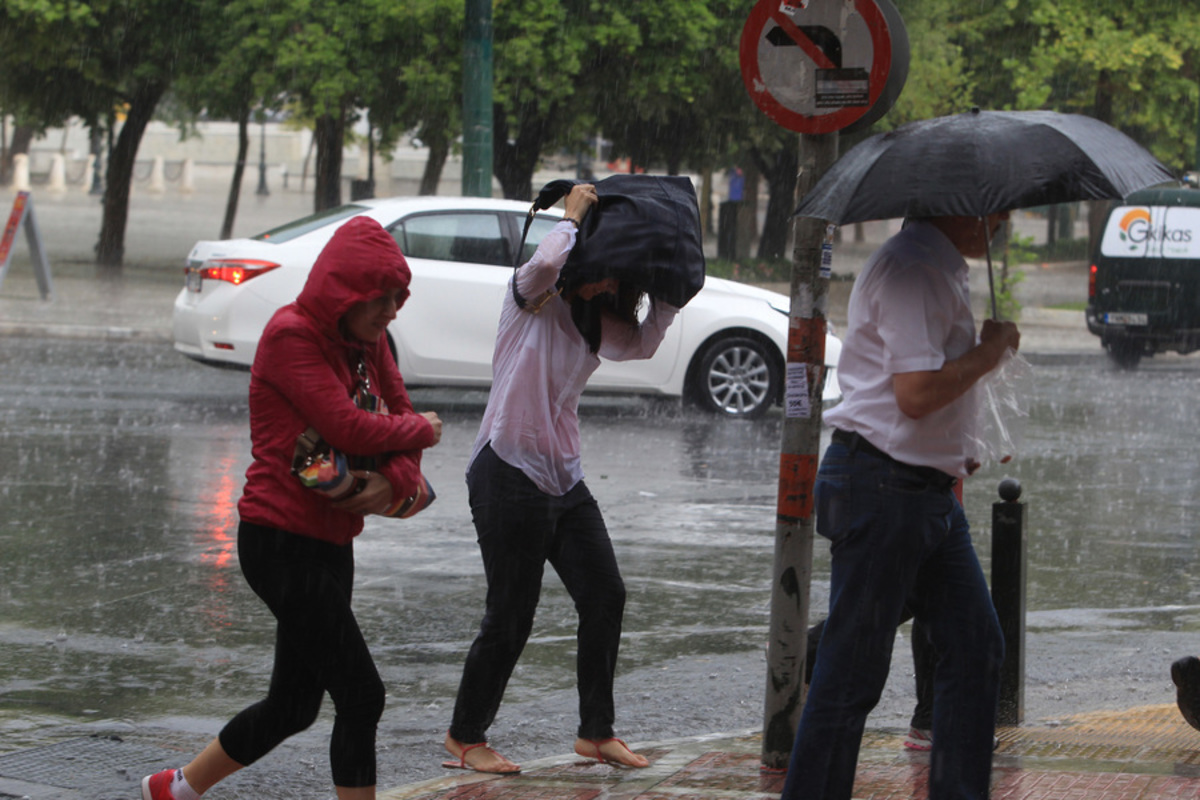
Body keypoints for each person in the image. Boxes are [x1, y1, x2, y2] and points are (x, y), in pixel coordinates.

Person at [141, 216, 443, 800]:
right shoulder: (291, 336)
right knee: (362, 694)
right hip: (278, 541)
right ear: (343, 292)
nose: (389, 312)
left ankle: (172, 789)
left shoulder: (369, 343)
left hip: (333, 538)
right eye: (378, 299)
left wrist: (401, 471)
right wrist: (421, 433)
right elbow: (347, 423)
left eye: (396, 299)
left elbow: (397, 419)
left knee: (295, 705)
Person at [441, 183, 680, 774]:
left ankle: (595, 733)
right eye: (597, 274)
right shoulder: (531, 297)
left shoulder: (597, 324)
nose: (602, 285)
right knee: (512, 615)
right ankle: (465, 737)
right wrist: (572, 217)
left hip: (563, 478)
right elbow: (548, 260)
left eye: (612, 280)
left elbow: (647, 342)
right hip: (506, 468)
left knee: (605, 594)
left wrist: (673, 287)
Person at [781, 212, 1020, 800]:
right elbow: (914, 394)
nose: (1005, 219)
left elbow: (915, 394)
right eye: (996, 209)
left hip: (924, 491)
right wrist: (990, 353)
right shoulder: (913, 269)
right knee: (852, 671)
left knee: (974, 645)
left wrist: (953, 447)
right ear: (954, 204)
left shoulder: (942, 268)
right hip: (882, 486)